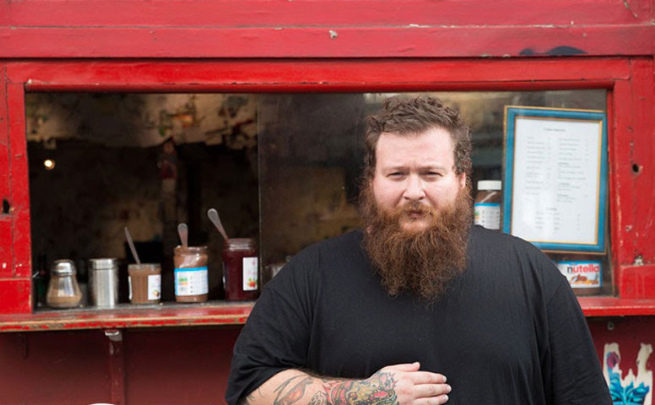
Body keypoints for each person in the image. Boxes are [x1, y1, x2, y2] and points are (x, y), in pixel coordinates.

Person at [226, 97, 611, 405]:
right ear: (371, 182)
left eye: (430, 173)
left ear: (461, 181)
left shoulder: (531, 273)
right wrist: (365, 395)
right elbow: (249, 386)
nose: (413, 192)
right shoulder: (313, 274)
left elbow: (583, 395)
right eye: (396, 174)